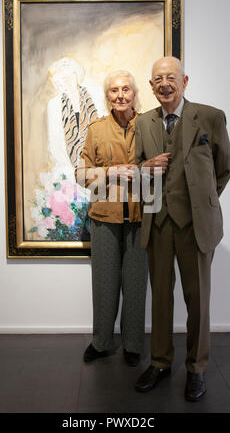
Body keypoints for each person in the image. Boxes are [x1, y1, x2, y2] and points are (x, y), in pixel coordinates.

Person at [134, 57, 230, 400]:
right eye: (158, 78)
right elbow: (135, 169)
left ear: (185, 80)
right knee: (161, 297)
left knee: (198, 301)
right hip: (158, 223)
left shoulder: (210, 117)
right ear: (151, 86)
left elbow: (224, 168)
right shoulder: (143, 122)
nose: (165, 83)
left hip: (196, 227)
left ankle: (196, 368)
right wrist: (145, 166)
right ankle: (160, 362)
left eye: (171, 77)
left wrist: (200, 204)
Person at [76, 70, 148, 366]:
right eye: (114, 90)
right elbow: (80, 174)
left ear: (134, 94)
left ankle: (132, 345)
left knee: (135, 283)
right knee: (104, 283)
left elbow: (163, 165)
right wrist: (110, 172)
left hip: (141, 216)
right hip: (104, 217)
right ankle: (101, 341)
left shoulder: (148, 125)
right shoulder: (96, 129)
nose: (120, 95)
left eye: (126, 89)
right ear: (107, 96)